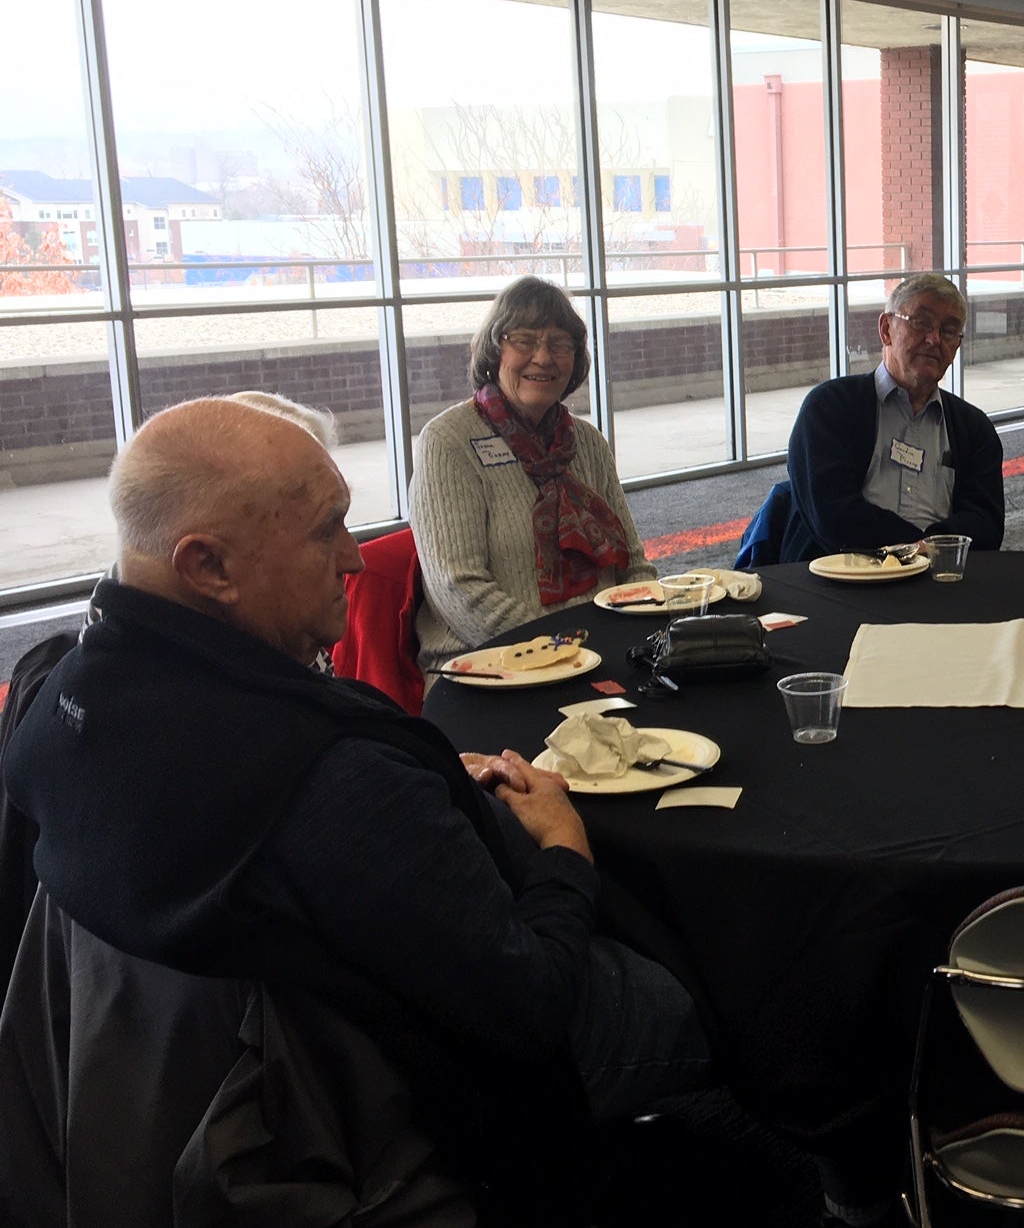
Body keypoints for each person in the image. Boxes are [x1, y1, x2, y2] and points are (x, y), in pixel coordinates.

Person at [3, 399, 714, 1172]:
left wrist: (428, 782)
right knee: (700, 984)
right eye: (326, 529)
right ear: (208, 566)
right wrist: (563, 849)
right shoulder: (329, 780)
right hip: (391, 1097)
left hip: (145, 1093)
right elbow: (533, 1005)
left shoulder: (52, 695)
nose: (355, 557)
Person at [409, 277, 653, 672]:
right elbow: (458, 588)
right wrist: (557, 652)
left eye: (560, 344)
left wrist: (644, 629)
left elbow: (633, 565)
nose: (543, 357)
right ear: (495, 349)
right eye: (524, 340)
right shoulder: (448, 441)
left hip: (593, 656)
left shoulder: (587, 442)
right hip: (488, 664)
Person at [777, 271, 1004, 564]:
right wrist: (918, 550)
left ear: (956, 346)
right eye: (921, 323)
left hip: (936, 584)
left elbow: (985, 524)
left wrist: (924, 554)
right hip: (840, 579)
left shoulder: (974, 429)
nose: (934, 339)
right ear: (886, 329)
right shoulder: (830, 408)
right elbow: (832, 514)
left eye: (948, 331)